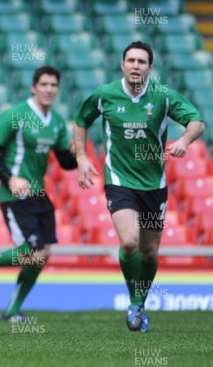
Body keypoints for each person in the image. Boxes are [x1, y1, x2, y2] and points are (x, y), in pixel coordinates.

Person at [73, 41, 205, 332]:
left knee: (149, 253)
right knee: (129, 241)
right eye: (130, 60)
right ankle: (134, 301)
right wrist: (82, 157)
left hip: (154, 184)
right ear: (122, 65)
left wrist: (184, 140)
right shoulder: (105, 95)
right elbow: (81, 121)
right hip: (119, 180)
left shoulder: (163, 96)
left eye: (141, 62)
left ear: (150, 68)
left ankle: (140, 305)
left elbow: (197, 122)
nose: (135, 66)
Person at [0, 66, 77, 322]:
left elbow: (65, 162)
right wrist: (10, 179)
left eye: (54, 85)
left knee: (41, 256)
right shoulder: (17, 114)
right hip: (16, 194)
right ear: (34, 87)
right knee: (31, 252)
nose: (49, 90)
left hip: (39, 194)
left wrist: (77, 153)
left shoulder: (56, 122)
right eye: (44, 84)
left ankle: (11, 310)